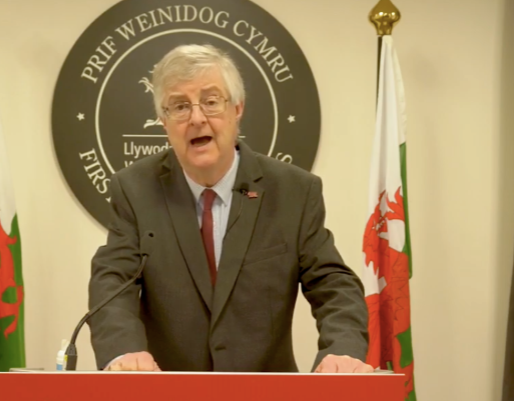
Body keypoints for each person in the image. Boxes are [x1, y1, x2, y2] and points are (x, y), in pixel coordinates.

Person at [86, 43, 371, 373]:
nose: (196, 118)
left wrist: (342, 350)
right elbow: (112, 279)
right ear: (163, 121)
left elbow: (333, 284)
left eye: (210, 101)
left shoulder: (293, 190)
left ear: (237, 108)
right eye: (179, 106)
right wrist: (123, 351)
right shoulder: (135, 189)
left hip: (265, 390)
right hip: (169, 390)